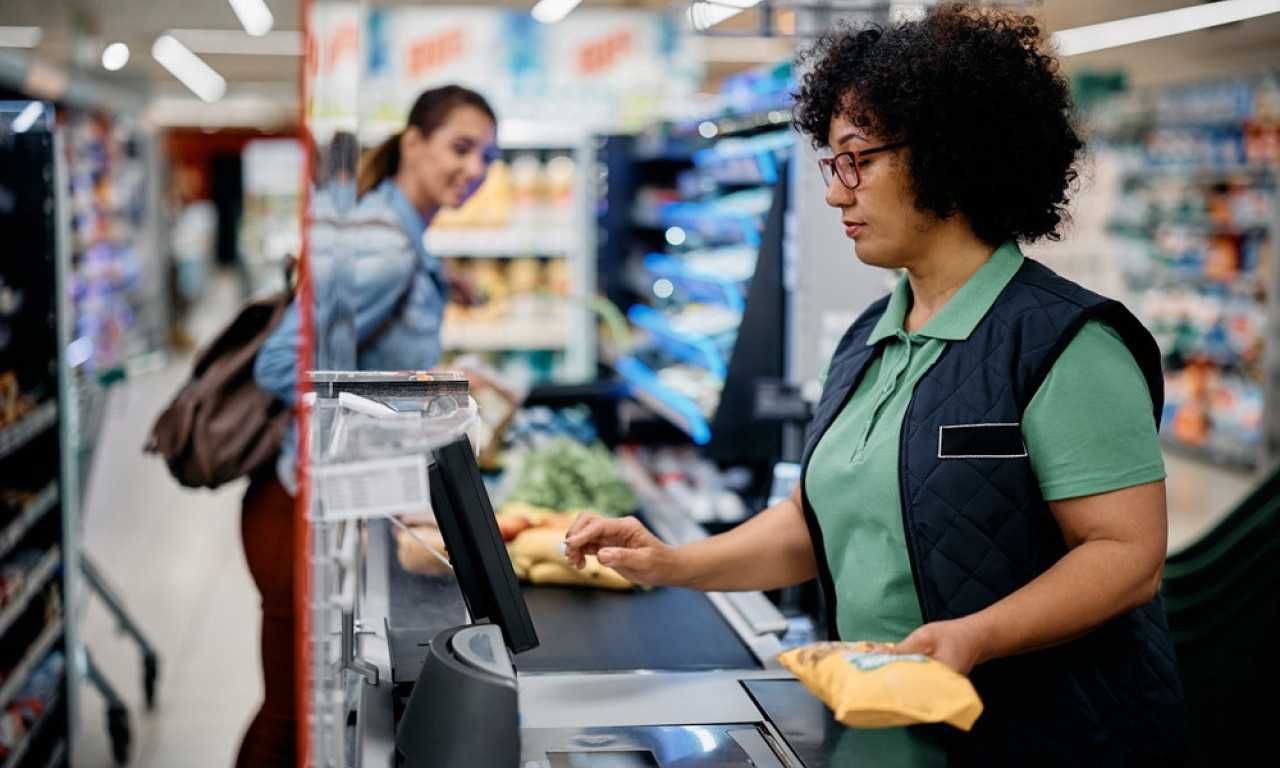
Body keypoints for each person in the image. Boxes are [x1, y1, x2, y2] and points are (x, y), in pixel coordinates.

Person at [565, 5, 1188, 767]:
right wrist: (673, 563)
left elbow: (1127, 555)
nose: (837, 193)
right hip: (879, 736)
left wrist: (976, 635)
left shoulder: (1065, 342)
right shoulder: (869, 337)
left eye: (858, 159)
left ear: (947, 156)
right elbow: (815, 521)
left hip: (1035, 740)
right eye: (834, 163)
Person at [239, 85, 498, 768]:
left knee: (304, 710)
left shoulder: (397, 232)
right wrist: (418, 395)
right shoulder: (385, 249)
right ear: (413, 141)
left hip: (325, 507)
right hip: (295, 516)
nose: (474, 170)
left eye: (488, 157)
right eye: (461, 148)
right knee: (286, 721)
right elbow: (276, 368)